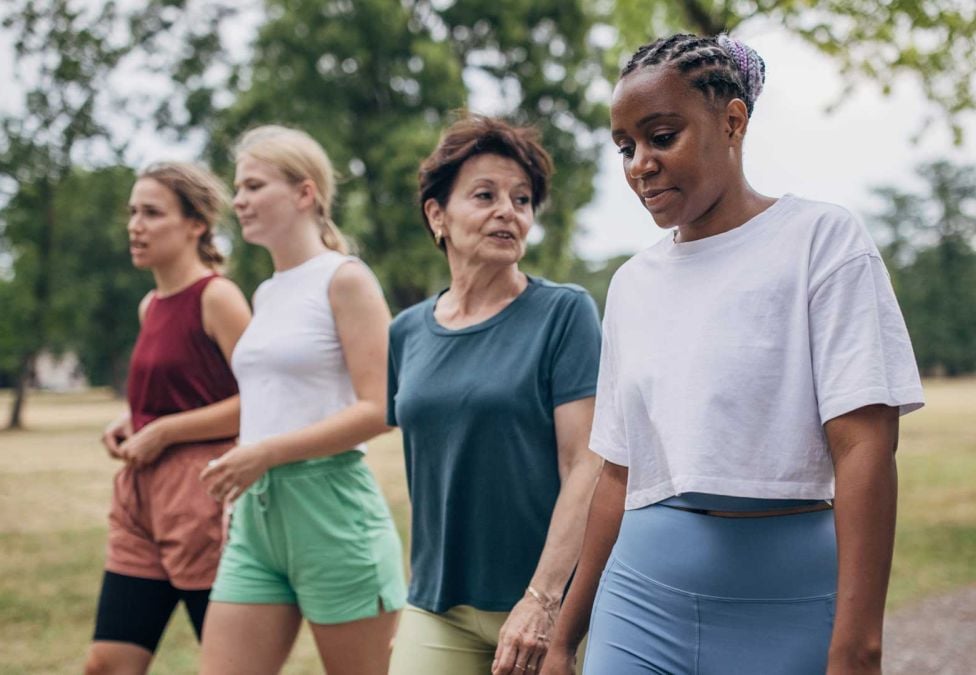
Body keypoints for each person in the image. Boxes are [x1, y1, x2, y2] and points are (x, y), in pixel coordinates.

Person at [541, 34, 925, 675]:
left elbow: (864, 447)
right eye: (626, 147)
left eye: (662, 137)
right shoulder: (632, 285)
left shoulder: (821, 243)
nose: (640, 164)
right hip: (641, 598)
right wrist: (563, 639)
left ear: (732, 121)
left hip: (788, 601)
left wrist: (858, 648)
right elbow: (616, 472)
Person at [386, 115, 603, 675]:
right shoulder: (406, 332)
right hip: (439, 605)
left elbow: (586, 463)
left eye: (522, 198)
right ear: (438, 215)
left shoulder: (564, 313)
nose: (509, 210)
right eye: (485, 195)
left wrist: (543, 601)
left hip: (549, 605)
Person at [198, 125, 406, 675]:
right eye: (237, 188)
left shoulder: (345, 279)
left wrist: (265, 453)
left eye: (253, 185)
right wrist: (248, 472)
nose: (237, 200)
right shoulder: (266, 291)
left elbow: (383, 407)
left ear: (305, 193)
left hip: (332, 512)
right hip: (256, 518)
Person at [84, 163, 251, 675]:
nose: (135, 225)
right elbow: (174, 395)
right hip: (139, 504)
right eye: (133, 212)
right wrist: (133, 421)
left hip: (202, 502)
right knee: (106, 665)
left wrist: (164, 431)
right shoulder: (150, 304)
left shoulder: (217, 297)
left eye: (152, 213)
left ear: (195, 224)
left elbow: (261, 402)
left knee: (231, 667)